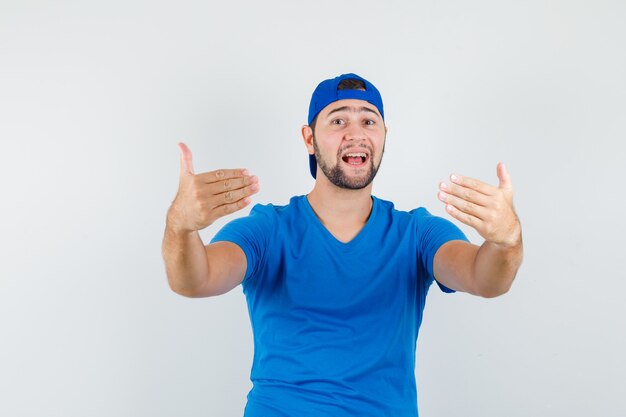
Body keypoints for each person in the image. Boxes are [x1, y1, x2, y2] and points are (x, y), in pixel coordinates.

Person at [161, 73, 523, 417]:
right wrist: (181, 227)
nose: (356, 133)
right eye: (338, 121)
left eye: (369, 121)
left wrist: (506, 241)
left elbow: (484, 279)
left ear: (384, 135)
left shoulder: (417, 233)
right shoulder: (269, 229)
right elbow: (194, 280)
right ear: (308, 138)